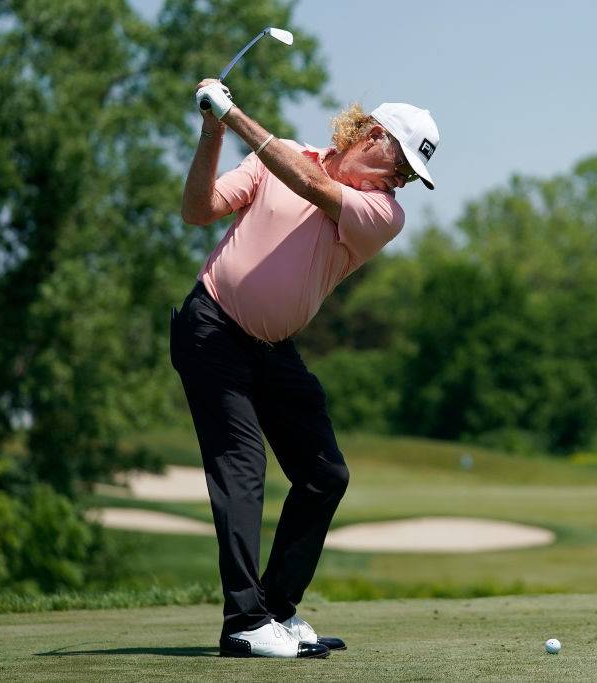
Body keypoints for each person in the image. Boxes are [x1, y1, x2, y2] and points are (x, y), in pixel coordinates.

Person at [170, 78, 439, 659]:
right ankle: (245, 623)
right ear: (372, 135)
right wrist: (212, 132)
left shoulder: (381, 213)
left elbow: (311, 183)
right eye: (402, 165)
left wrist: (234, 114)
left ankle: (275, 608)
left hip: (270, 349)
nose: (401, 183)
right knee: (243, 469)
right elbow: (197, 211)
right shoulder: (277, 156)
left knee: (324, 476)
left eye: (411, 179)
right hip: (210, 330)